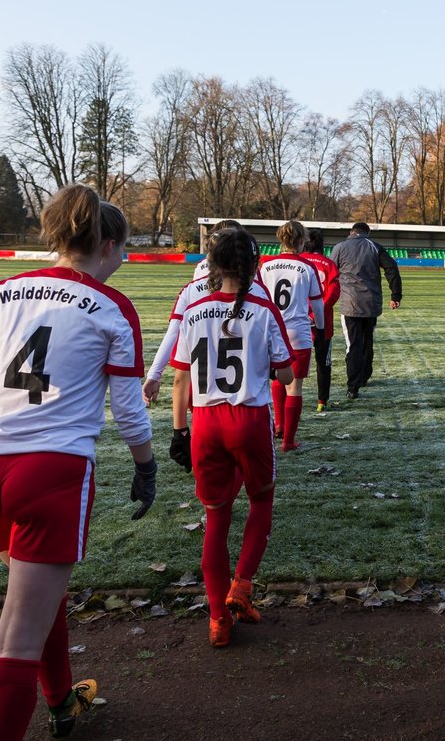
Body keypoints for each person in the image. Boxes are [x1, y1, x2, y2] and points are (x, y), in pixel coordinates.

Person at [0, 184, 157, 740]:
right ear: (107, 245)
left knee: (37, 597)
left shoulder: (1, 291)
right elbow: (129, 411)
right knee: (14, 646)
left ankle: (62, 699)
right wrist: (146, 467)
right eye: (125, 250)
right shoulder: (113, 307)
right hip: (52, 473)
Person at [170, 228, 294, 647]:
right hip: (249, 417)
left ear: (213, 264)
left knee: (216, 520)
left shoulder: (194, 308)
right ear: (253, 264)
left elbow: (180, 378)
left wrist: (179, 431)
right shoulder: (261, 308)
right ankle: (241, 586)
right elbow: (287, 373)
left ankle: (218, 619)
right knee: (261, 502)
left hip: (204, 421)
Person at [143, 219, 245, 406]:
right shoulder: (254, 284)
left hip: (201, 375)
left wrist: (154, 374)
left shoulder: (196, 280)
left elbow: (174, 331)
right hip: (242, 382)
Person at [257, 221, 324, 449]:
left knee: (277, 377)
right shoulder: (307, 267)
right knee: (295, 385)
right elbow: (317, 303)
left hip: (270, 330)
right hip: (298, 331)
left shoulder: (265, 266)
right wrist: (322, 329)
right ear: (302, 240)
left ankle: (278, 425)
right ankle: (288, 440)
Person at [330, 221, 402, 399]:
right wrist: (395, 295)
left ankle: (353, 386)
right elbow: (391, 268)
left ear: (351, 232)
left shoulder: (339, 248)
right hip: (371, 303)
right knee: (367, 339)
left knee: (353, 344)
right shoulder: (374, 246)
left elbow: (330, 273)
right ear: (367, 233)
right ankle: (364, 376)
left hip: (349, 304)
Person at [300, 228, 340, 413]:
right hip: (323, 321)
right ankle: (322, 401)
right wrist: (318, 311)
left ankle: (290, 397)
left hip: (297, 320)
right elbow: (333, 293)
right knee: (323, 362)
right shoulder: (329, 264)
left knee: (291, 360)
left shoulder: (298, 262)